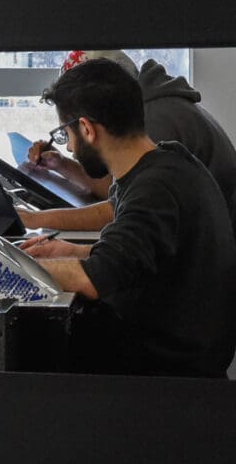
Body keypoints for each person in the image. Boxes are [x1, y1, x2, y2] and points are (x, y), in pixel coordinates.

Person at [22, 59, 236, 377]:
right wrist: (68, 250)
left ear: (87, 129)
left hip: (171, 368)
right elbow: (134, 256)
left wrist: (11, 267)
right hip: (181, 346)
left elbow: (94, 278)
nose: (69, 148)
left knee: (27, 347)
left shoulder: (154, 188)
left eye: (65, 135)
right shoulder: (165, 161)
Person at [24, 51, 236, 227]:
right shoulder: (153, 108)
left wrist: (33, 219)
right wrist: (61, 165)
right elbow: (118, 190)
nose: (70, 145)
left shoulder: (154, 120)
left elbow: (119, 209)